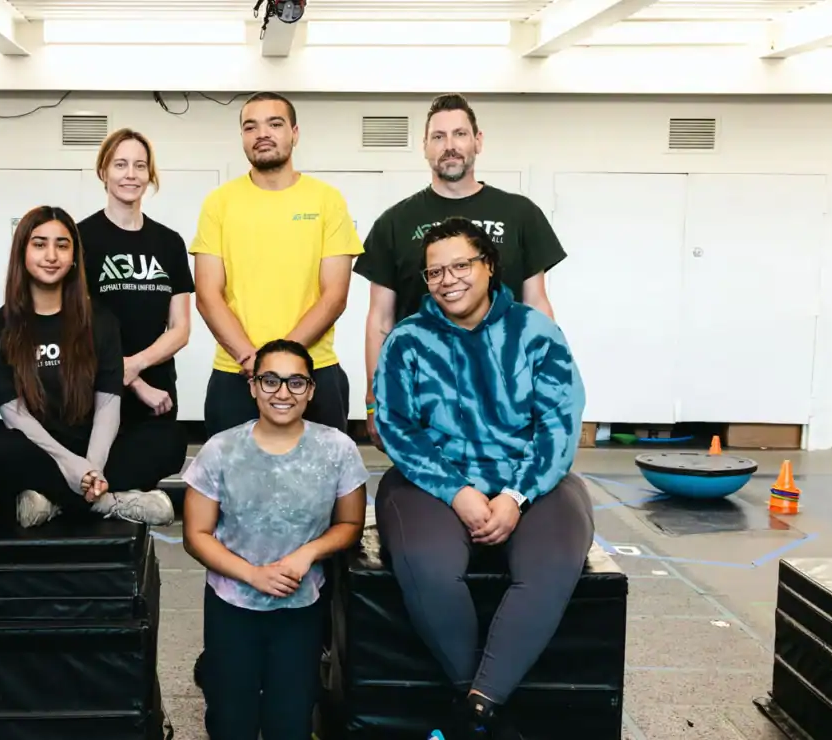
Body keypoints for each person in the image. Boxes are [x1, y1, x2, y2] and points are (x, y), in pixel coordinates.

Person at [371, 217, 591, 740]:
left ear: (489, 266)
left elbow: (560, 424)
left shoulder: (536, 333)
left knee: (554, 563)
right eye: (434, 272)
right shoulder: (407, 340)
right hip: (432, 483)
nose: (447, 280)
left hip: (531, 482)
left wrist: (516, 495)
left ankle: (477, 710)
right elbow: (396, 426)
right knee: (426, 565)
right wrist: (458, 492)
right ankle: (484, 703)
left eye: (460, 266)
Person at [355, 93, 567, 449]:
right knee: (429, 495)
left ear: (478, 141)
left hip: (506, 393)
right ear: (424, 146)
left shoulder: (520, 214)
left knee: (505, 497)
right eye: (438, 137)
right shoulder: (395, 222)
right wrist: (375, 400)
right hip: (424, 395)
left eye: (459, 134)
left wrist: (548, 384)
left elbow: (538, 307)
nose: (449, 146)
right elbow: (380, 319)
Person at [182, 339, 367, 740]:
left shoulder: (337, 449)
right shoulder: (221, 449)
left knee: (290, 722)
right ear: (252, 386)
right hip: (232, 605)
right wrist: (252, 575)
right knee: (232, 720)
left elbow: (350, 524)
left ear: (311, 390)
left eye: (296, 382)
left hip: (301, 606)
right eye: (270, 381)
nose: (283, 393)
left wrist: (307, 554)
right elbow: (195, 535)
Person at [0, 205, 177, 529]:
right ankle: (109, 502)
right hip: (38, 448)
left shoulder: (100, 320)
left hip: (94, 446)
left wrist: (92, 465)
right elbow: (14, 414)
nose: (51, 255)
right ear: (22, 252)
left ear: (74, 256)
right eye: (39, 244)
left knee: (170, 438)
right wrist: (71, 467)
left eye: (62, 245)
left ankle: (49, 500)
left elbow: (109, 402)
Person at [190, 91, 364, 437]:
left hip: (314, 370)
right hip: (236, 371)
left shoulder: (327, 200)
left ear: (294, 134)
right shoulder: (219, 203)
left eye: (275, 123)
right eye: (250, 127)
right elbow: (208, 295)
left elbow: (334, 297)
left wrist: (279, 363)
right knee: (232, 487)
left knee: (323, 486)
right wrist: (252, 360)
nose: (262, 134)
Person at [77, 128, 192, 491]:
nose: (131, 174)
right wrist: (132, 381)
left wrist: (137, 367)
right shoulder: (82, 238)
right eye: (121, 164)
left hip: (157, 393)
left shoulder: (169, 242)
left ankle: (88, 497)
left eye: (140, 166)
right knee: (94, 451)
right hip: (95, 386)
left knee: (168, 449)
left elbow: (180, 328)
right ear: (103, 172)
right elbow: (78, 323)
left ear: (150, 175)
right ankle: (107, 500)